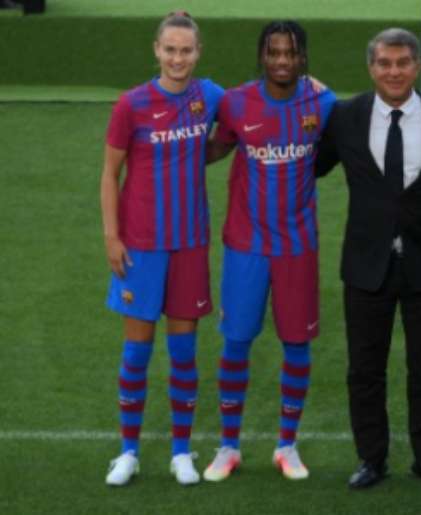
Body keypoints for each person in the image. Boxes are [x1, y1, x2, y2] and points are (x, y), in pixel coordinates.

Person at [316, 27, 421, 490]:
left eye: (403, 63)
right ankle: (371, 459)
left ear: (418, 66)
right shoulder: (344, 117)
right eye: (385, 63)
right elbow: (307, 165)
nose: (394, 71)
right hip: (365, 267)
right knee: (364, 370)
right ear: (371, 67)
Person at [201, 20, 336, 483]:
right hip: (246, 245)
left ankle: (287, 445)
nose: (282, 60)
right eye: (274, 52)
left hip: (298, 247)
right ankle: (228, 446)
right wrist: (167, 150)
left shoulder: (323, 102)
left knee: (296, 344)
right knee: (236, 343)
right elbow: (216, 147)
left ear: (303, 58)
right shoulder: (236, 102)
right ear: (262, 56)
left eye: (291, 53)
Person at [100, 12, 224, 486]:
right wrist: (112, 237)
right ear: (156, 50)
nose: (178, 58)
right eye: (170, 49)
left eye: (186, 50)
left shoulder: (210, 97)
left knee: (184, 352)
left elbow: (248, 115)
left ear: (198, 53)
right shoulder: (130, 104)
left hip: (189, 245)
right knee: (136, 352)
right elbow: (109, 175)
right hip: (140, 248)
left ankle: (180, 452)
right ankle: (128, 452)